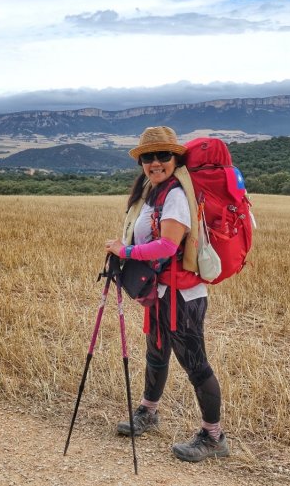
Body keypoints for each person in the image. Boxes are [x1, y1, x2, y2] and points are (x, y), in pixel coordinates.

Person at [103, 126, 229, 463]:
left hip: (182, 296)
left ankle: (214, 437)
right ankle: (148, 410)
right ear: (141, 162)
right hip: (160, 292)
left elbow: (168, 245)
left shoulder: (175, 194)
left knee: (195, 363)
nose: (155, 162)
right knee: (156, 353)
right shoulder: (152, 191)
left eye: (163, 155)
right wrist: (124, 252)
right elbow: (147, 241)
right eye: (148, 157)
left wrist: (125, 253)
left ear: (176, 158)